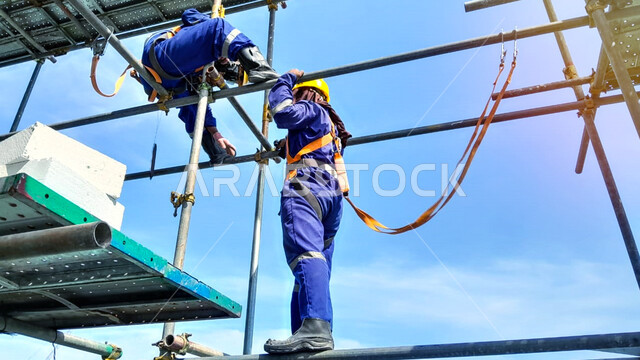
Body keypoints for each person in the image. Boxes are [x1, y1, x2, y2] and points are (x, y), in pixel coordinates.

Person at [264, 69, 351, 354]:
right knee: (314, 264)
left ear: (306, 93)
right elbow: (309, 145)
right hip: (331, 196)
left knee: (306, 256)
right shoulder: (331, 126)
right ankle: (312, 329)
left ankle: (314, 328)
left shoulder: (310, 108)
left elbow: (282, 113)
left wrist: (285, 81)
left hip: (306, 186)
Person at [138, 8, 279, 164]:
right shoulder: (192, 36)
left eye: (233, 78)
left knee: (194, 105)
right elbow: (188, 13)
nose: (227, 76)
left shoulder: (197, 71)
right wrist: (214, 36)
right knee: (218, 26)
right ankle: (257, 66)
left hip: (164, 82)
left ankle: (215, 153)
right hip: (160, 53)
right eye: (235, 72)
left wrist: (216, 135)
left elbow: (193, 112)